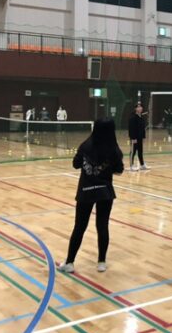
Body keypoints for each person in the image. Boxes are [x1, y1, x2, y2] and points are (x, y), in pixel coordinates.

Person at [59, 118, 124, 273]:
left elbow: (75, 164)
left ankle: (69, 262)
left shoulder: (85, 146)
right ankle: (101, 262)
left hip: (85, 191)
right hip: (105, 192)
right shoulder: (114, 149)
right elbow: (119, 171)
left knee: (79, 227)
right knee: (102, 226)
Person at [128, 103, 148, 171]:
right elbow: (131, 129)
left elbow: (142, 128)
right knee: (133, 152)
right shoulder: (133, 117)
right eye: (138, 107)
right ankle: (131, 166)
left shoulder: (141, 117)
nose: (140, 108)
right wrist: (133, 138)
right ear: (135, 109)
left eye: (141, 107)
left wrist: (143, 137)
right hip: (134, 138)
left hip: (140, 138)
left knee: (140, 151)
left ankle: (142, 165)